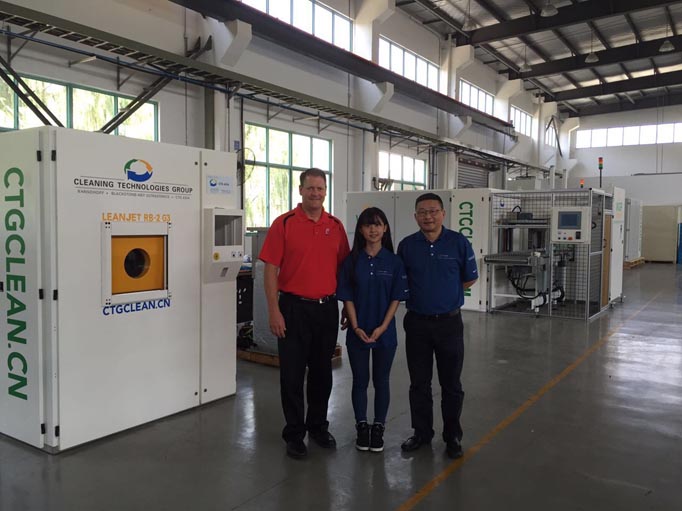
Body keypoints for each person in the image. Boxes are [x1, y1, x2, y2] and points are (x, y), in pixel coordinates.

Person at [259, 168, 350, 460]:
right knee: (292, 375)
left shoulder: (335, 226)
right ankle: (295, 434)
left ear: (326, 191)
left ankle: (318, 427)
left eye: (320, 188)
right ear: (300, 190)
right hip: (293, 309)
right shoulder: (284, 224)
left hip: (326, 309)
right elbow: (270, 270)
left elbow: (344, 270)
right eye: (310, 188)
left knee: (322, 373)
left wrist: (346, 307)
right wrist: (274, 310)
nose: (315, 193)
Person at [397, 192, 478, 459]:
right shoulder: (407, 246)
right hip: (417, 324)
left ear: (443, 214)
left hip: (449, 324)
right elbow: (401, 281)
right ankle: (422, 433)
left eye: (433, 211)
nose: (428, 216)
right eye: (422, 212)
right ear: (415, 216)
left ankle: (452, 435)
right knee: (419, 383)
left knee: (451, 384)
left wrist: (446, 294)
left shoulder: (458, 242)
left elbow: (469, 278)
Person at [336, 207, 408, 453]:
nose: (373, 230)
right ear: (361, 230)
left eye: (378, 224)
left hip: (385, 332)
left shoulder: (394, 261)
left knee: (381, 380)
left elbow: (396, 298)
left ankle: (378, 427)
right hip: (358, 331)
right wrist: (355, 326)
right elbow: (347, 296)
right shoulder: (351, 261)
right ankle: (361, 426)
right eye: (368, 225)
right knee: (360, 380)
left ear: (385, 228)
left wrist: (383, 327)